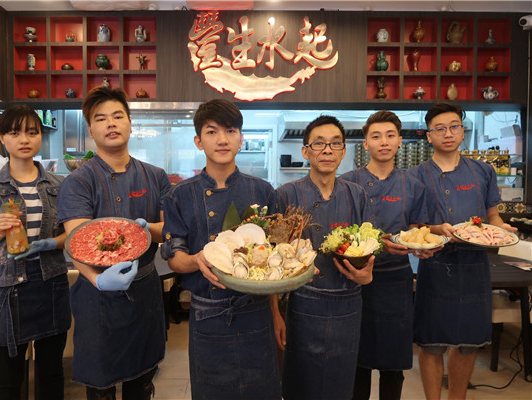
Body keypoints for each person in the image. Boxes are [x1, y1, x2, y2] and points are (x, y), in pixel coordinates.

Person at [161, 99, 282, 400]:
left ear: (241, 139)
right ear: (198, 141)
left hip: (256, 313)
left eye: (230, 130)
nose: (222, 139)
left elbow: (275, 262)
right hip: (208, 315)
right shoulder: (179, 195)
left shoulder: (263, 191)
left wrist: (276, 314)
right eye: (212, 131)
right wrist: (197, 260)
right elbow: (175, 258)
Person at [57, 87, 171, 400]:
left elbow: (169, 229)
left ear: (130, 123)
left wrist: (146, 230)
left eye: (118, 116)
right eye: (101, 118)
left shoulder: (155, 176)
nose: (111, 123)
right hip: (97, 297)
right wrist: (98, 280)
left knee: (142, 384)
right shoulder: (77, 182)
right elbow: (78, 242)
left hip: (145, 290)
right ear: (90, 129)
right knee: (100, 387)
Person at [409, 102, 516, 400]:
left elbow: (493, 216)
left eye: (454, 126)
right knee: (431, 343)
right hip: (435, 266)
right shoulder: (415, 176)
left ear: (462, 130)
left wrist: (502, 229)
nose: (448, 133)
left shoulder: (483, 171)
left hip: (474, 265)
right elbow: (413, 225)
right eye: (440, 128)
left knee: (468, 344)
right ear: (429, 135)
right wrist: (435, 229)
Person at [0, 105, 70, 399]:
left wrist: (51, 243)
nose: (24, 139)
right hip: (8, 287)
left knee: (51, 372)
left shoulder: (60, 186)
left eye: (32, 132)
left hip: (51, 282)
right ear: (1, 137)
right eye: (14, 133)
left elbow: (72, 235)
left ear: (40, 138)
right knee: (8, 375)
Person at [273, 115, 375, 400]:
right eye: (319, 143)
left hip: (348, 305)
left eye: (335, 144)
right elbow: (272, 262)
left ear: (343, 151)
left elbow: (369, 247)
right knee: (300, 385)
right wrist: (275, 315)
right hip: (302, 305)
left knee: (339, 386)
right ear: (305, 151)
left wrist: (367, 274)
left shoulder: (357, 196)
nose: (327, 150)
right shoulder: (285, 196)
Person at [340, 111, 433, 400]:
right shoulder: (347, 183)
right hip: (356, 280)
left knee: (394, 362)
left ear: (399, 141)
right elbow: (340, 232)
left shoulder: (414, 185)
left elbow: (417, 227)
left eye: (390, 135)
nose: (384, 142)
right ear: (365, 143)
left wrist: (421, 244)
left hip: (397, 280)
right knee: (357, 360)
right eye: (376, 136)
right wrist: (377, 243)